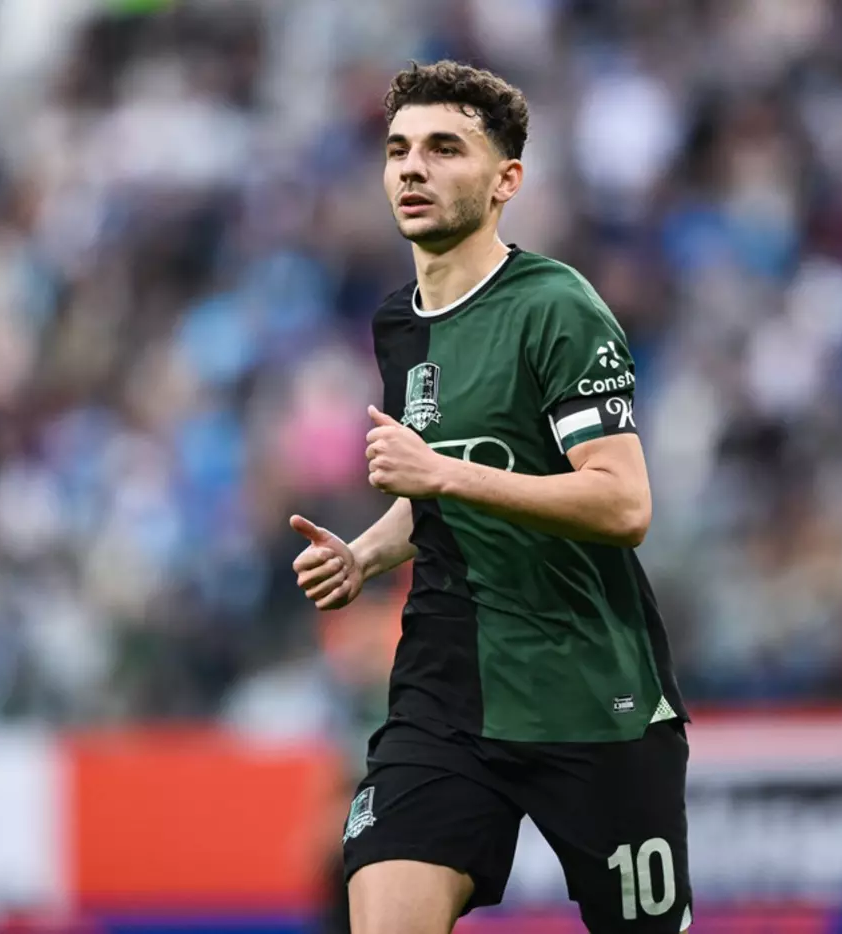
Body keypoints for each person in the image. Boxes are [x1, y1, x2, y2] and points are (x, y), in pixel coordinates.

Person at [290, 61, 693, 934]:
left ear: (506, 180)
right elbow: (439, 488)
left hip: (588, 692)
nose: (413, 168)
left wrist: (442, 475)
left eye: (444, 148)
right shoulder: (399, 323)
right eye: (398, 149)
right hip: (445, 692)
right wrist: (364, 554)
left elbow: (623, 504)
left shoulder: (558, 308)